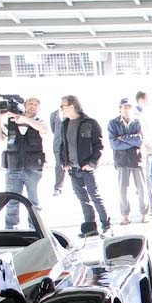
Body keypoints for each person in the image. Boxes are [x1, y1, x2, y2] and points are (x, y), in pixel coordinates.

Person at [59, 95, 110, 238]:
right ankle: (90, 227)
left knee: (95, 196)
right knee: (82, 198)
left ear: (72, 106)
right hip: (73, 169)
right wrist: (65, 162)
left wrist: (92, 163)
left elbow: (99, 145)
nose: (61, 109)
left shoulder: (90, 123)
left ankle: (106, 225)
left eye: (63, 106)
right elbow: (63, 145)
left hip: (86, 168)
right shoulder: (65, 124)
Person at [0, 96, 47, 230]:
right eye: (30, 103)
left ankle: (35, 229)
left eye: (36, 104)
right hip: (13, 168)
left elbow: (44, 130)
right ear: (24, 105)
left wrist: (23, 119)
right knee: (11, 200)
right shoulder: (11, 121)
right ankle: (10, 229)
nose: (33, 106)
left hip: (33, 169)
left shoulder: (39, 121)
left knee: (34, 202)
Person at [107, 97, 149, 224]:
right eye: (124, 107)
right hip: (121, 160)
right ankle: (125, 215)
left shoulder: (137, 122)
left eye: (129, 107)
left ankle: (144, 213)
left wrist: (123, 138)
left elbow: (140, 140)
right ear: (120, 108)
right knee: (123, 189)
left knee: (142, 188)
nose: (127, 109)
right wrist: (131, 141)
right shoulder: (113, 123)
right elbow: (114, 144)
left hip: (137, 159)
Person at [49, 106, 66, 197]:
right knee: (59, 164)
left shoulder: (72, 113)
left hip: (71, 143)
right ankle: (58, 187)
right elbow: (53, 129)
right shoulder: (54, 114)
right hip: (58, 143)